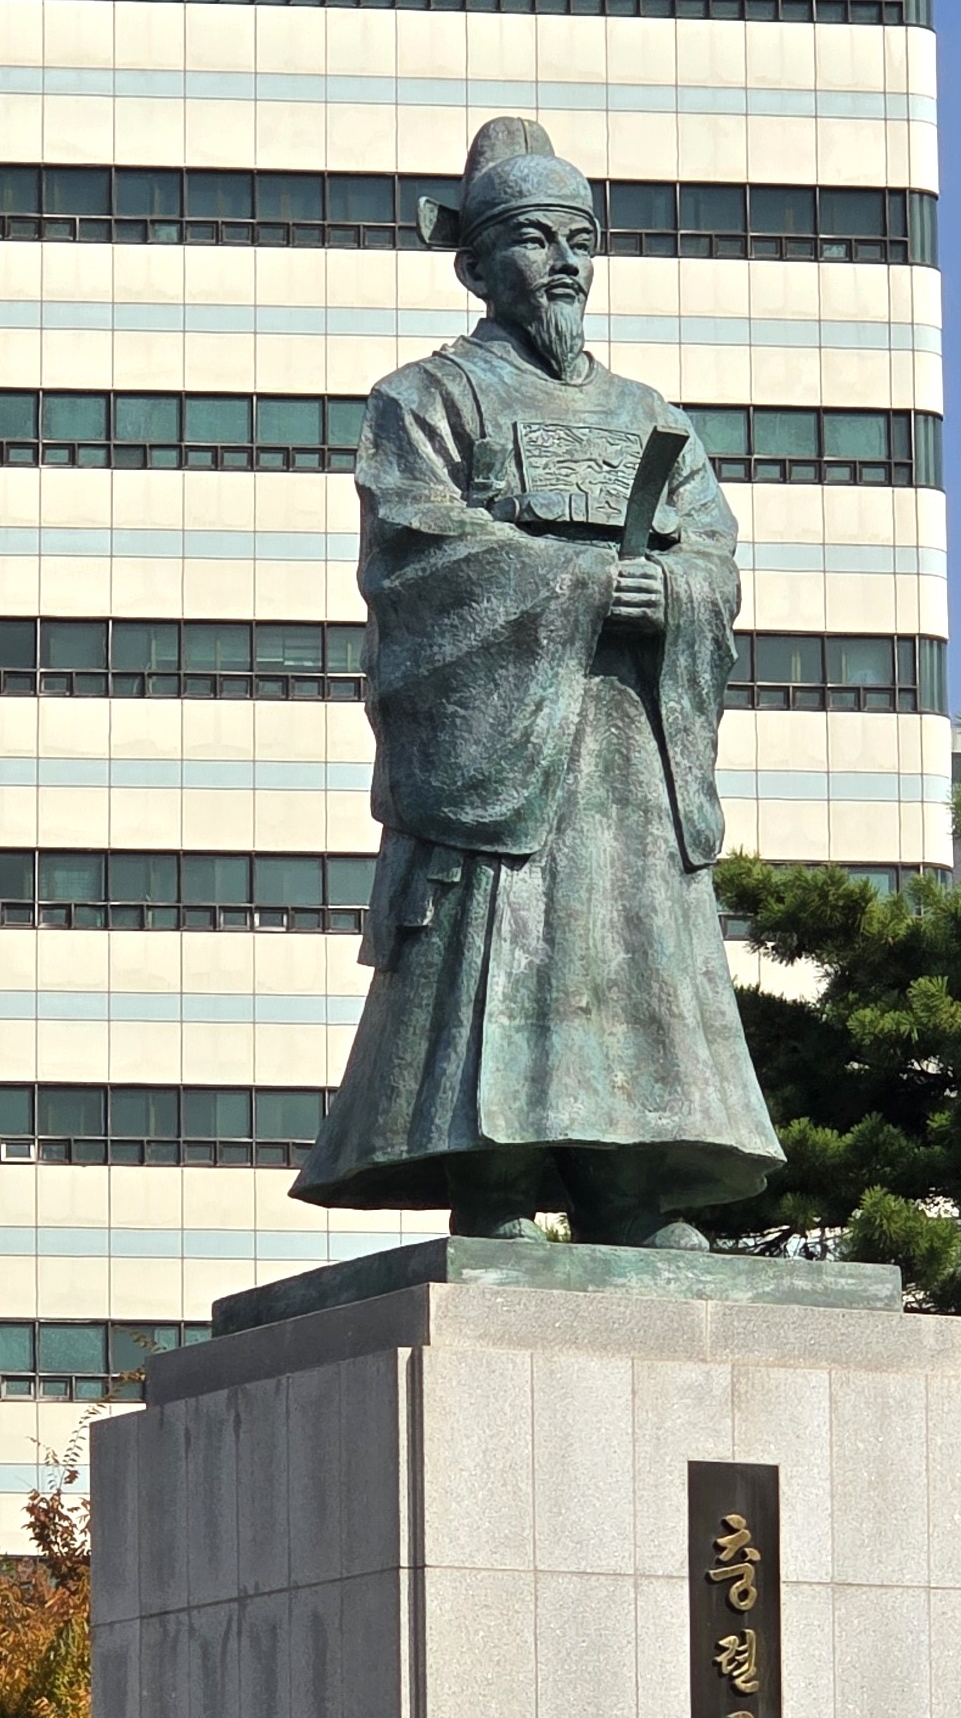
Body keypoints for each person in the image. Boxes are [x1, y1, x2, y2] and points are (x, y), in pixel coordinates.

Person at [295, 116, 782, 1244]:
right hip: (502, 744)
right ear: (474, 265)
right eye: (532, 238)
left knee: (636, 948)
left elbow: (713, 555)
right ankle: (497, 1179)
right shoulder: (426, 399)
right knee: (498, 947)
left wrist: (675, 594)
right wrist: (579, 582)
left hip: (630, 746)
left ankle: (627, 1184)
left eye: (580, 240)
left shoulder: (652, 416)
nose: (564, 262)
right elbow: (418, 549)